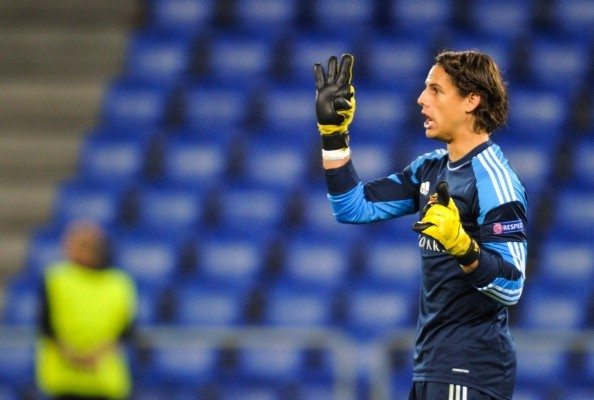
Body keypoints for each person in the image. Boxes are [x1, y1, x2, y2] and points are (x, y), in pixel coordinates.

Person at [313, 51, 527, 400]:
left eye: (435, 90)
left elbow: (511, 287)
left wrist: (462, 246)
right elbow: (353, 207)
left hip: (470, 368)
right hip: (433, 364)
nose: (421, 98)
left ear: (471, 100)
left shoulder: (494, 180)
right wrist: (333, 136)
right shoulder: (431, 168)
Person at [36, 220, 137, 400]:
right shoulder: (56, 278)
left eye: (84, 245)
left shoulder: (119, 283)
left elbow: (127, 330)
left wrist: (96, 355)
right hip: (63, 383)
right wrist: (70, 355)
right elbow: (45, 324)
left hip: (105, 383)